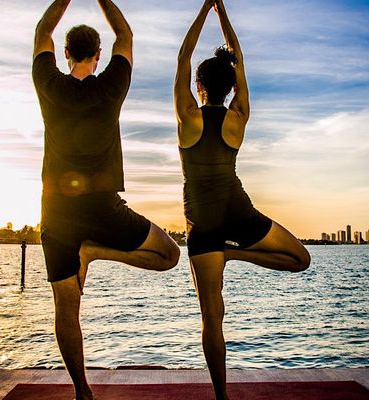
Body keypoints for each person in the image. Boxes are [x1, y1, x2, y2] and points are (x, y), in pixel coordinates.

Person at [32, 1, 180, 399]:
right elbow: (126, 36)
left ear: (65, 53)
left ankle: (83, 392)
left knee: (65, 306)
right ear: (98, 56)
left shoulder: (48, 83)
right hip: (102, 207)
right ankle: (95, 250)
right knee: (169, 255)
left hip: (56, 211)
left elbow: (42, 31)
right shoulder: (111, 86)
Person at [174, 0, 311, 399]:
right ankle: (235, 253)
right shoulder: (239, 116)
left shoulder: (187, 116)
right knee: (300, 259)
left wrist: (204, 10)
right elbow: (240, 58)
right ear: (231, 87)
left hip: (201, 225)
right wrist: (222, 14)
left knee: (212, 319)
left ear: (199, 87)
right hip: (240, 215)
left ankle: (221, 397)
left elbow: (184, 56)